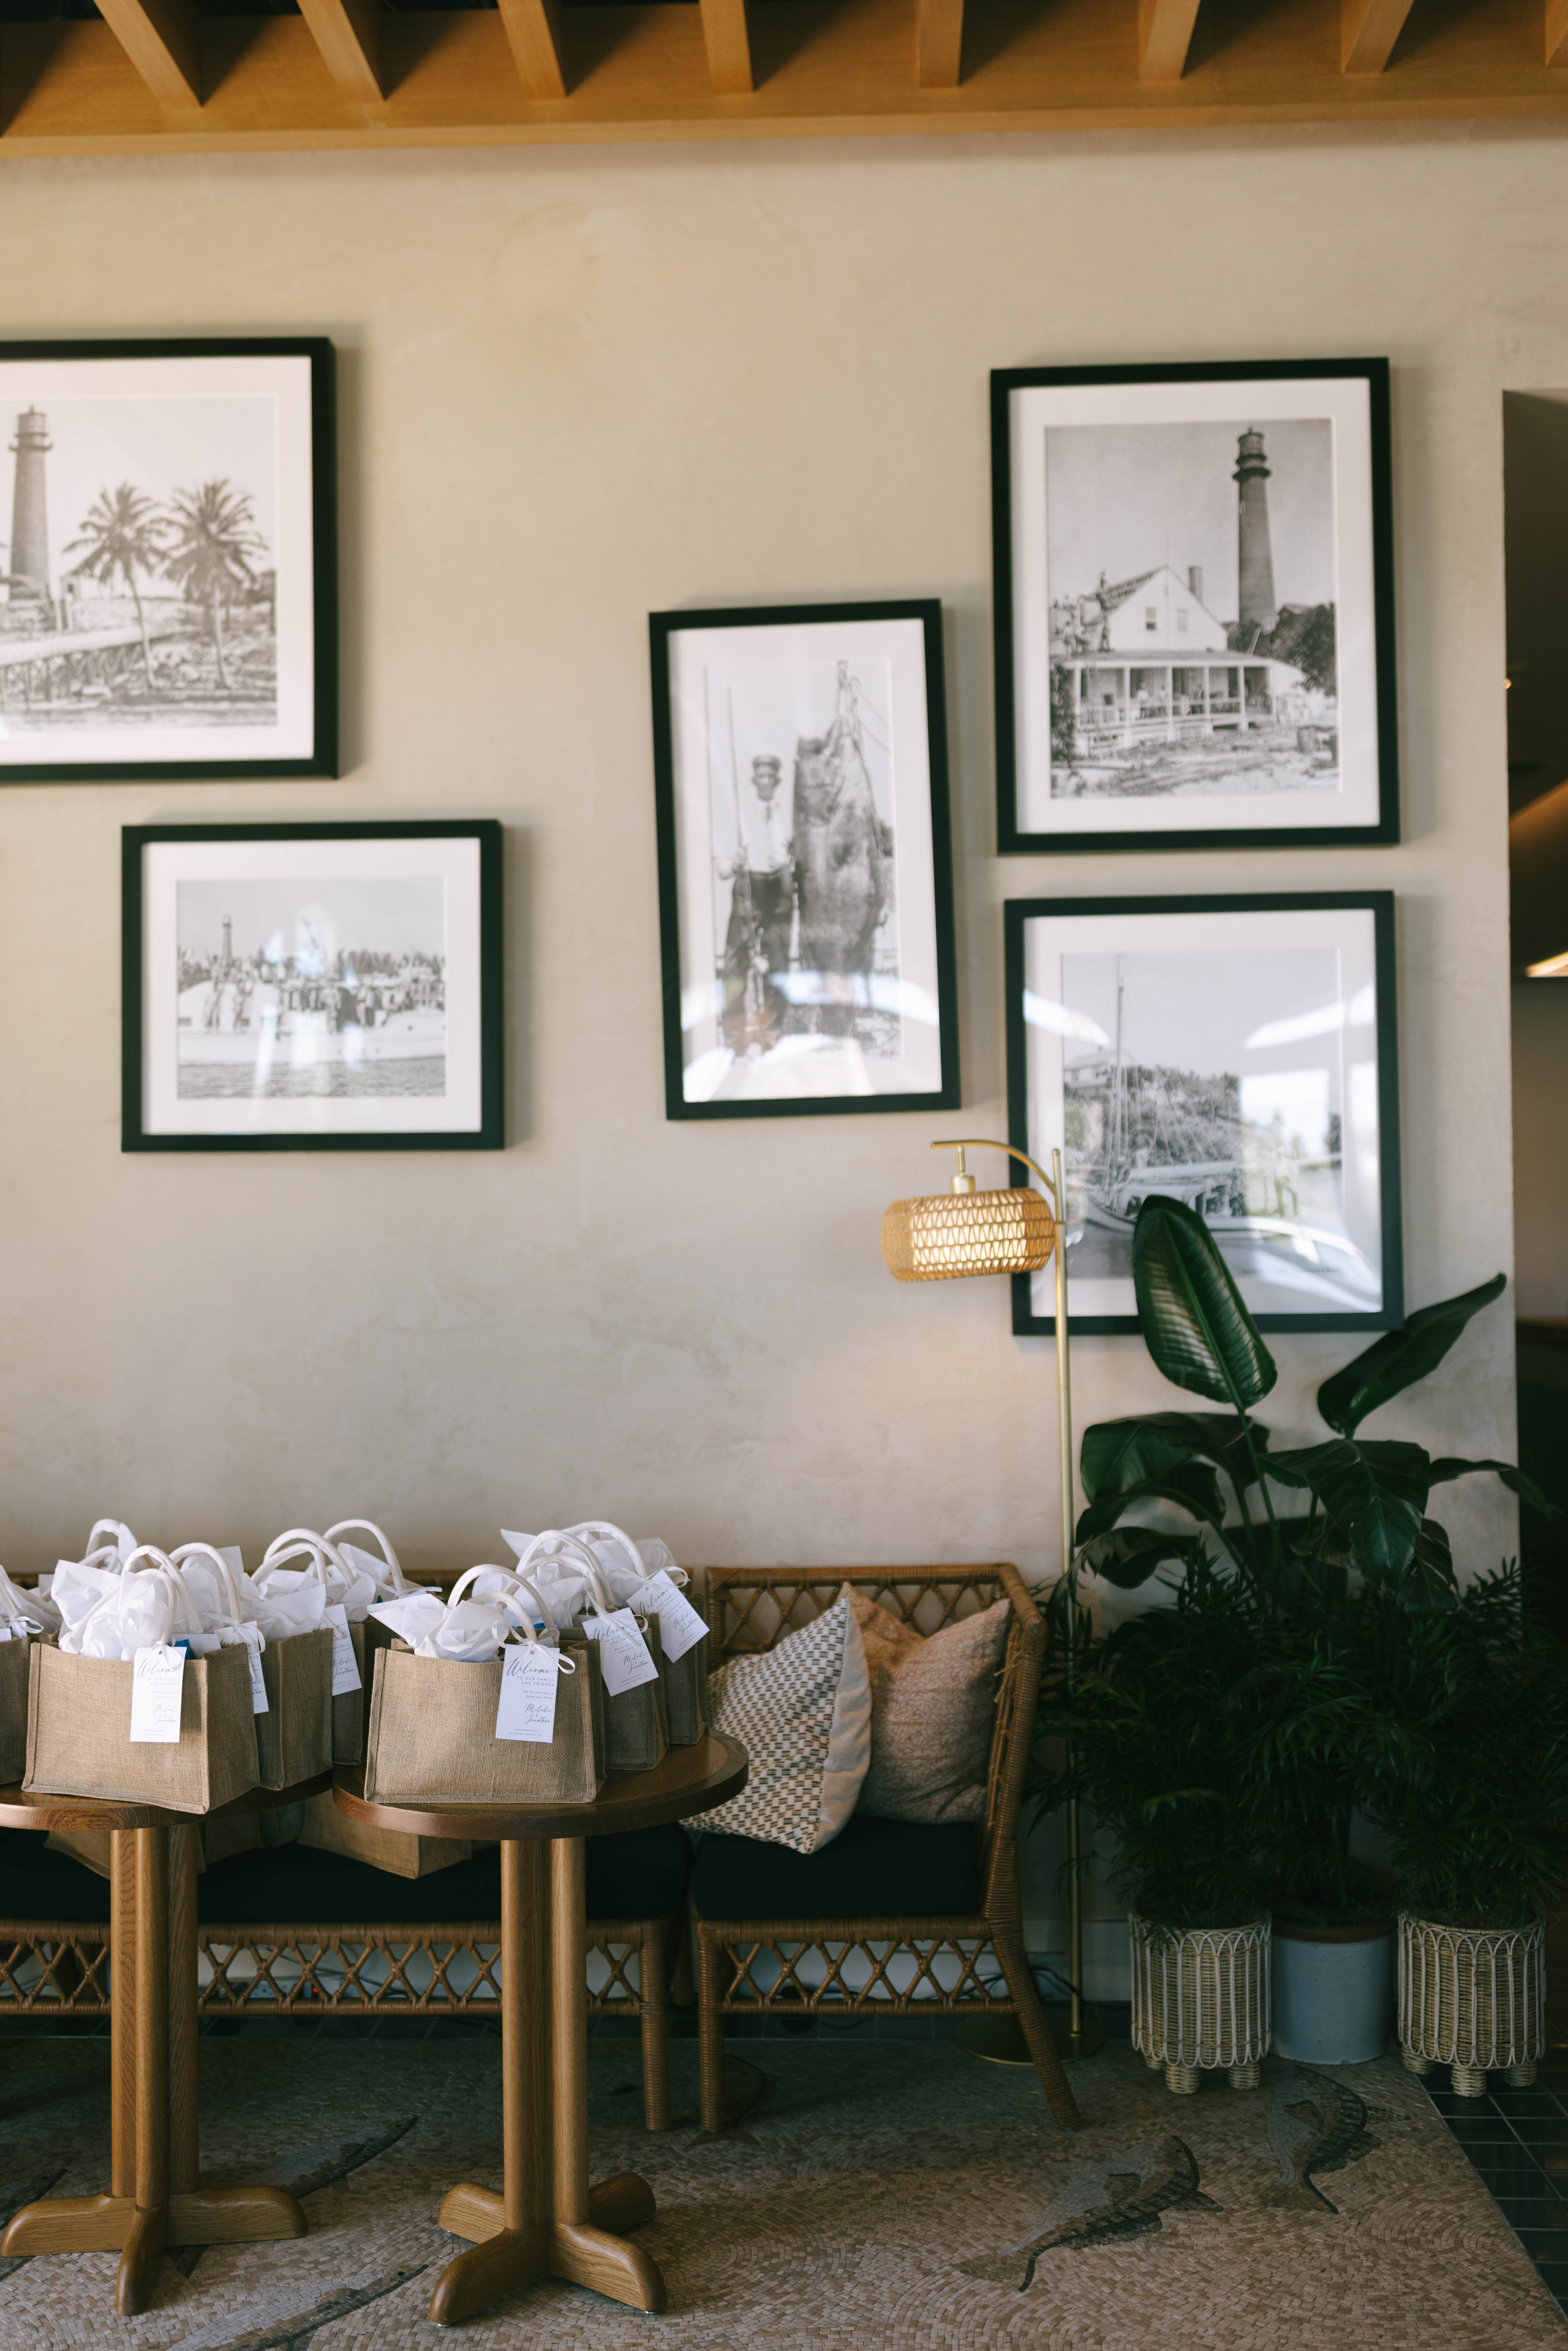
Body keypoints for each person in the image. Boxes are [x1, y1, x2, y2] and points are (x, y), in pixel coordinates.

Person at [718, 754, 795, 1051]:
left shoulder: (790, 815)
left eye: (770, 777)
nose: (765, 782)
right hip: (749, 887)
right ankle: (735, 1040)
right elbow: (723, 869)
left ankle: (773, 1037)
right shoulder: (739, 817)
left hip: (780, 893)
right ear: (754, 781)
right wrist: (734, 863)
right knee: (735, 965)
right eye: (760, 776)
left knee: (778, 965)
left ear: (777, 781)